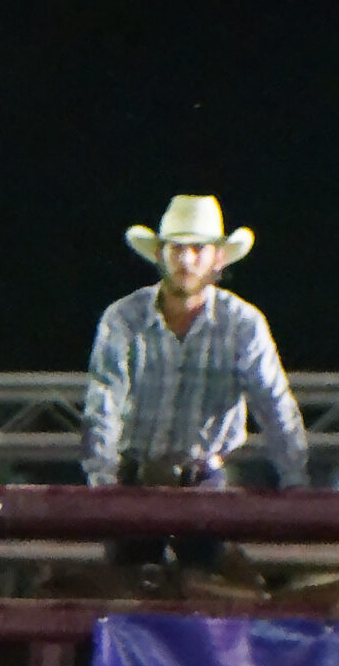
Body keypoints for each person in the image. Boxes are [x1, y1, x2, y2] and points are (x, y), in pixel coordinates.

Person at [80, 195, 309, 578]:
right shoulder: (124, 318)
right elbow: (102, 403)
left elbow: (274, 404)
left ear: (218, 258)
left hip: (198, 481)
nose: (186, 261)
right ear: (161, 254)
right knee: (134, 596)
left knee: (191, 598)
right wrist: (106, 487)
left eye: (198, 249)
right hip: (138, 481)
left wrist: (295, 483)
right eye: (177, 249)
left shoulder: (242, 324)